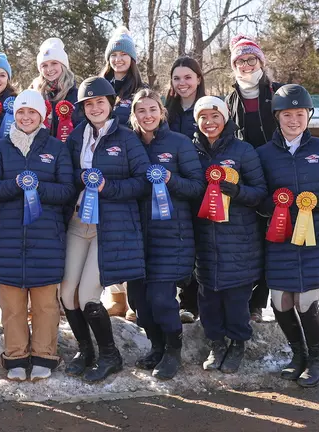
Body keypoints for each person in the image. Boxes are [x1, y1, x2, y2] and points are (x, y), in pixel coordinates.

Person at [257, 85, 319, 388]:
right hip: (281, 237)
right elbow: (259, 197)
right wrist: (275, 202)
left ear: (308, 115)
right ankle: (297, 355)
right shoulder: (263, 154)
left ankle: (316, 359)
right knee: (281, 301)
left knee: (306, 301)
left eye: (300, 114)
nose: (294, 120)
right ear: (277, 117)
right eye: (288, 114)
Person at [62, 77, 150, 382]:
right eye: (89, 103)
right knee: (66, 292)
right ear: (83, 108)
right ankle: (84, 349)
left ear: (110, 105)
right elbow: (66, 173)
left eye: (100, 102)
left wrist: (107, 186)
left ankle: (110, 354)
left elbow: (141, 182)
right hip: (78, 222)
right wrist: (78, 177)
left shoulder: (126, 139)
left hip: (108, 226)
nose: (95, 107)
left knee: (88, 293)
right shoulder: (76, 137)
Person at [0, 89, 75, 382]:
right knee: (11, 305)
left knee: (45, 305)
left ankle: (44, 354)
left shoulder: (56, 148)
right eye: (21, 112)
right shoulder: (1, 148)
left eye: (32, 112)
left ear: (42, 116)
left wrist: (38, 188)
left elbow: (66, 191)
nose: (26, 117)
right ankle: (15, 355)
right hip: (7, 239)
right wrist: (17, 184)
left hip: (46, 238)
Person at [128, 89, 205, 380]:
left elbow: (196, 186)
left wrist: (170, 179)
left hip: (172, 234)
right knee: (138, 302)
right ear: (134, 115)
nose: (147, 116)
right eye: (141, 111)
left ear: (162, 111)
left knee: (162, 299)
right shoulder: (129, 143)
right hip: (136, 234)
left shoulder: (179, 143)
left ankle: (174, 351)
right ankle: (157, 347)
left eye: (152, 109)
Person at [191, 96, 267, 374]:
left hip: (239, 238)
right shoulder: (192, 151)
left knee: (236, 299)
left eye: (215, 116)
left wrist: (236, 192)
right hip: (205, 237)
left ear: (225, 118)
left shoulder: (244, 151)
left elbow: (260, 192)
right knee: (208, 296)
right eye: (203, 117)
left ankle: (237, 343)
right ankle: (216, 343)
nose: (209, 123)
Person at [225, 35, 284, 323]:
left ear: (261, 61)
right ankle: (249, 301)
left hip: (277, 175)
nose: (246, 65)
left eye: (251, 59)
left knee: (276, 236)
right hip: (246, 179)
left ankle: (268, 301)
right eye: (240, 61)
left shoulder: (280, 93)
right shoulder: (229, 99)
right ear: (234, 66)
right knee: (251, 239)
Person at [164, 56, 206, 323]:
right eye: (177, 78)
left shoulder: (208, 108)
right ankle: (176, 300)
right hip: (169, 186)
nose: (182, 83)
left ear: (199, 79)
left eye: (188, 77)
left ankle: (194, 301)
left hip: (203, 185)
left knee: (199, 242)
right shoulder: (166, 110)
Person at [29, 38, 82, 138]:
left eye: (54, 63)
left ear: (63, 65)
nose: (49, 69)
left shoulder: (77, 95)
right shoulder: (35, 94)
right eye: (44, 65)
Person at [100, 26, 146, 128]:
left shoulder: (141, 90)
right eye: (113, 55)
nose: (118, 59)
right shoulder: (99, 86)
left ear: (131, 58)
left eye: (123, 54)